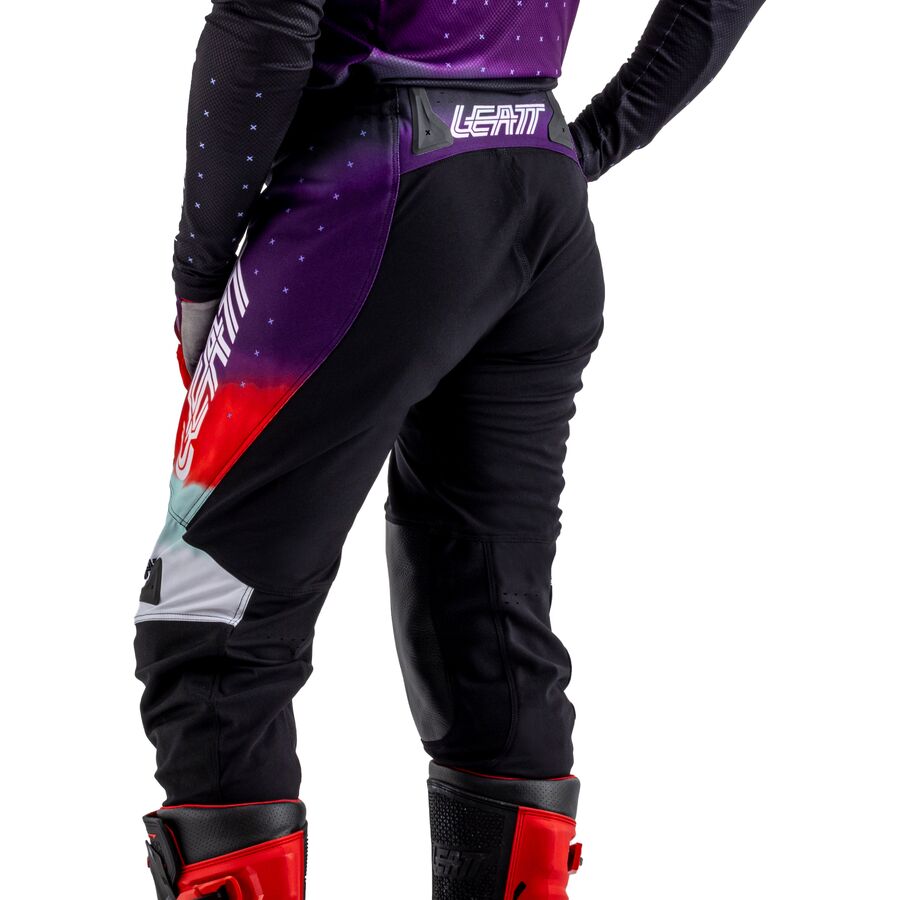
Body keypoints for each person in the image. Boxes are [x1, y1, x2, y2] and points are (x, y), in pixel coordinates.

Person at [135, 1, 766, 897]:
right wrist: (587, 142)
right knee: (485, 615)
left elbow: (268, 18)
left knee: (206, 610)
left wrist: (201, 273)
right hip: (536, 186)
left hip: (368, 191)